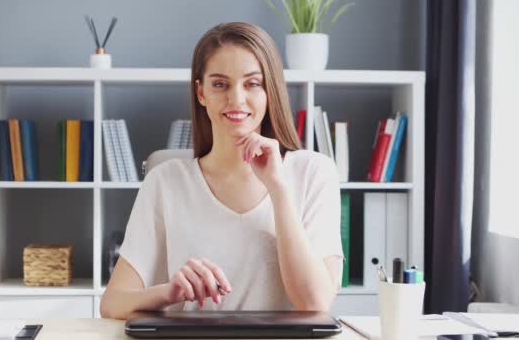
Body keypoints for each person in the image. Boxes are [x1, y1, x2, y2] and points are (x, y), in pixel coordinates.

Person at [100, 22, 343, 320]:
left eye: (252, 83)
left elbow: (315, 302)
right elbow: (112, 303)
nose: (236, 99)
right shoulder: (165, 181)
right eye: (220, 84)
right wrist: (169, 292)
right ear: (201, 93)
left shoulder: (314, 172)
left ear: (270, 90)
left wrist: (279, 190)